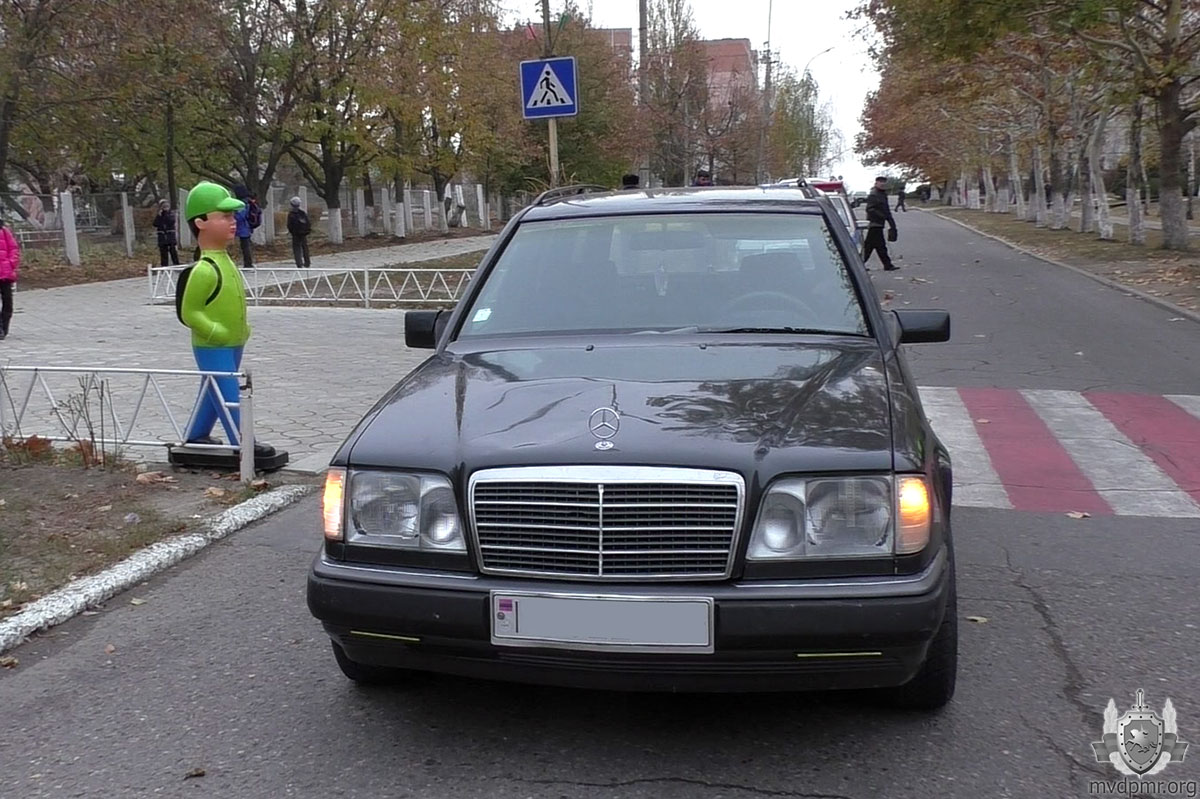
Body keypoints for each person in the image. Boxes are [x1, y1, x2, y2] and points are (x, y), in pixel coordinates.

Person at [179, 181, 274, 456]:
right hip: (213, 343)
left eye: (232, 215)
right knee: (228, 390)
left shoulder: (225, 262)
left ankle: (196, 435)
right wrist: (213, 330)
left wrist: (242, 328)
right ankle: (243, 441)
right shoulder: (204, 269)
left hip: (233, 340)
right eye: (224, 216)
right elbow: (189, 312)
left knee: (213, 387)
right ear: (201, 222)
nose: (233, 221)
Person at [863, 175, 899, 271]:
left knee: (875, 246)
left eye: (884, 182)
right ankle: (887, 265)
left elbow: (886, 210)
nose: (882, 184)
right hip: (874, 223)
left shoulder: (883, 195)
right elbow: (870, 209)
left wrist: (892, 223)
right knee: (874, 246)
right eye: (880, 182)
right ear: (876, 183)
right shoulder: (873, 195)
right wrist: (882, 216)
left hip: (879, 224)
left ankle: (887, 264)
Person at [0, 216, 19, 340]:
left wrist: (11, 263)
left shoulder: (4, 231)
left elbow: (13, 248)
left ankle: (4, 327)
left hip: (5, 273)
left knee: (8, 303)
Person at [232, 184, 255, 269]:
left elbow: (240, 216)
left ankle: (248, 264)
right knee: (246, 246)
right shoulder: (248, 201)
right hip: (246, 227)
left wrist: (233, 217)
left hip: (242, 228)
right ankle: (248, 263)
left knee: (245, 246)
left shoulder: (242, 204)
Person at [286, 196, 312, 268]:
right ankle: (307, 262)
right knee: (305, 248)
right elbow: (308, 223)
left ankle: (299, 263)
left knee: (297, 248)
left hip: (296, 234)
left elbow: (289, 225)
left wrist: (292, 232)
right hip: (303, 233)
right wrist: (307, 231)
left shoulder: (291, 214)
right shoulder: (302, 213)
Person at [153, 199, 181, 265]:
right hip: (162, 236)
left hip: (170, 236)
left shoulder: (171, 213)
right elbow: (155, 224)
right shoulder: (159, 215)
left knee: (173, 251)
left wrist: (165, 213)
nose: (165, 207)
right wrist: (159, 216)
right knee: (163, 253)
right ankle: (164, 266)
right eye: (163, 206)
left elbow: (171, 221)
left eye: (166, 206)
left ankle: (176, 264)